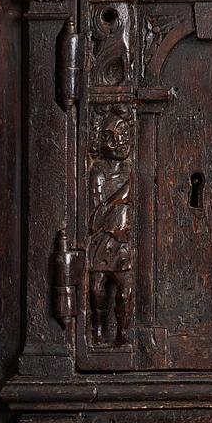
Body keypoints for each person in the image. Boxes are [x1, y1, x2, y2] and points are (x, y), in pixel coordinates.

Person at [88, 110, 134, 346]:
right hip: (101, 241)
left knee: (125, 290)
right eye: (110, 136)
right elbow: (95, 219)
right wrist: (122, 194)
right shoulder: (98, 173)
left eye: (123, 133)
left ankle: (122, 334)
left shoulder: (130, 171)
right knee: (97, 288)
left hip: (124, 242)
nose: (118, 141)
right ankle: (97, 329)